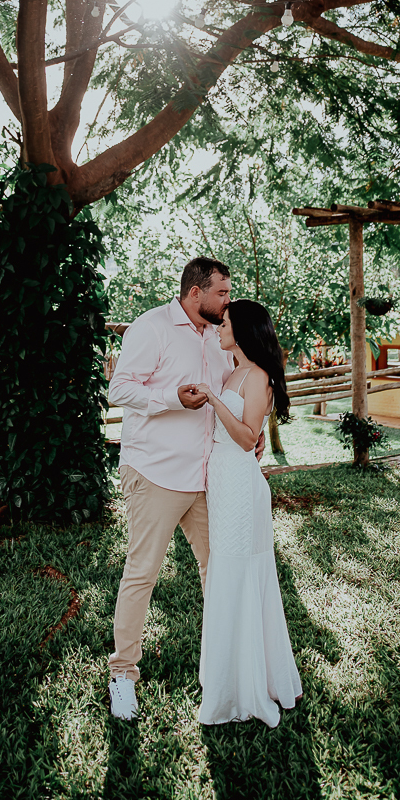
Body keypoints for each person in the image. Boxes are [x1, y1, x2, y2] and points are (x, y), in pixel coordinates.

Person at [106, 257, 237, 720]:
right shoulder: (152, 327)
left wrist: (248, 431)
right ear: (195, 293)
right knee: (142, 574)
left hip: (206, 478)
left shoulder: (222, 337)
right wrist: (169, 398)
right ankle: (123, 675)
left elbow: (230, 393)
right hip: (154, 472)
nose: (227, 301)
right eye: (221, 292)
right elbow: (119, 389)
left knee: (218, 573)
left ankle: (226, 669)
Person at [195, 299, 302, 728]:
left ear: (242, 329)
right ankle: (228, 676)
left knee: (239, 573)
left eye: (225, 322)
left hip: (241, 484)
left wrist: (212, 402)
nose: (220, 326)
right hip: (223, 482)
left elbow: (246, 437)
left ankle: (247, 686)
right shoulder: (234, 371)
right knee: (226, 572)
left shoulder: (257, 376)